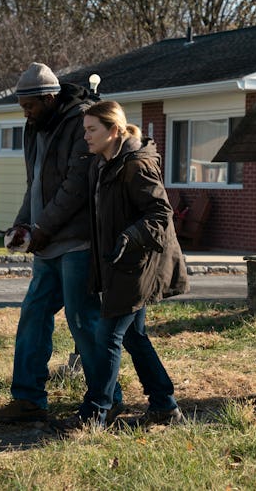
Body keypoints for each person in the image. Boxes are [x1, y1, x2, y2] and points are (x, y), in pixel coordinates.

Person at [0, 63, 122, 423]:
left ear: (49, 98)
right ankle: (28, 400)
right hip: (46, 244)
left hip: (78, 243)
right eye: (22, 107)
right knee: (33, 314)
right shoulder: (34, 127)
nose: (25, 113)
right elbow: (36, 184)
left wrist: (41, 229)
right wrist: (21, 223)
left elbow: (75, 187)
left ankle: (107, 400)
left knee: (84, 322)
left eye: (30, 106)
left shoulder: (81, 123)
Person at [78, 100, 189, 427]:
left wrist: (128, 238)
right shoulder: (104, 163)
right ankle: (165, 406)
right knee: (133, 337)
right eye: (84, 129)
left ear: (113, 130)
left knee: (109, 336)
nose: (85, 136)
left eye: (91, 129)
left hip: (138, 263)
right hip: (120, 262)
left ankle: (94, 414)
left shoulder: (135, 164)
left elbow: (161, 214)